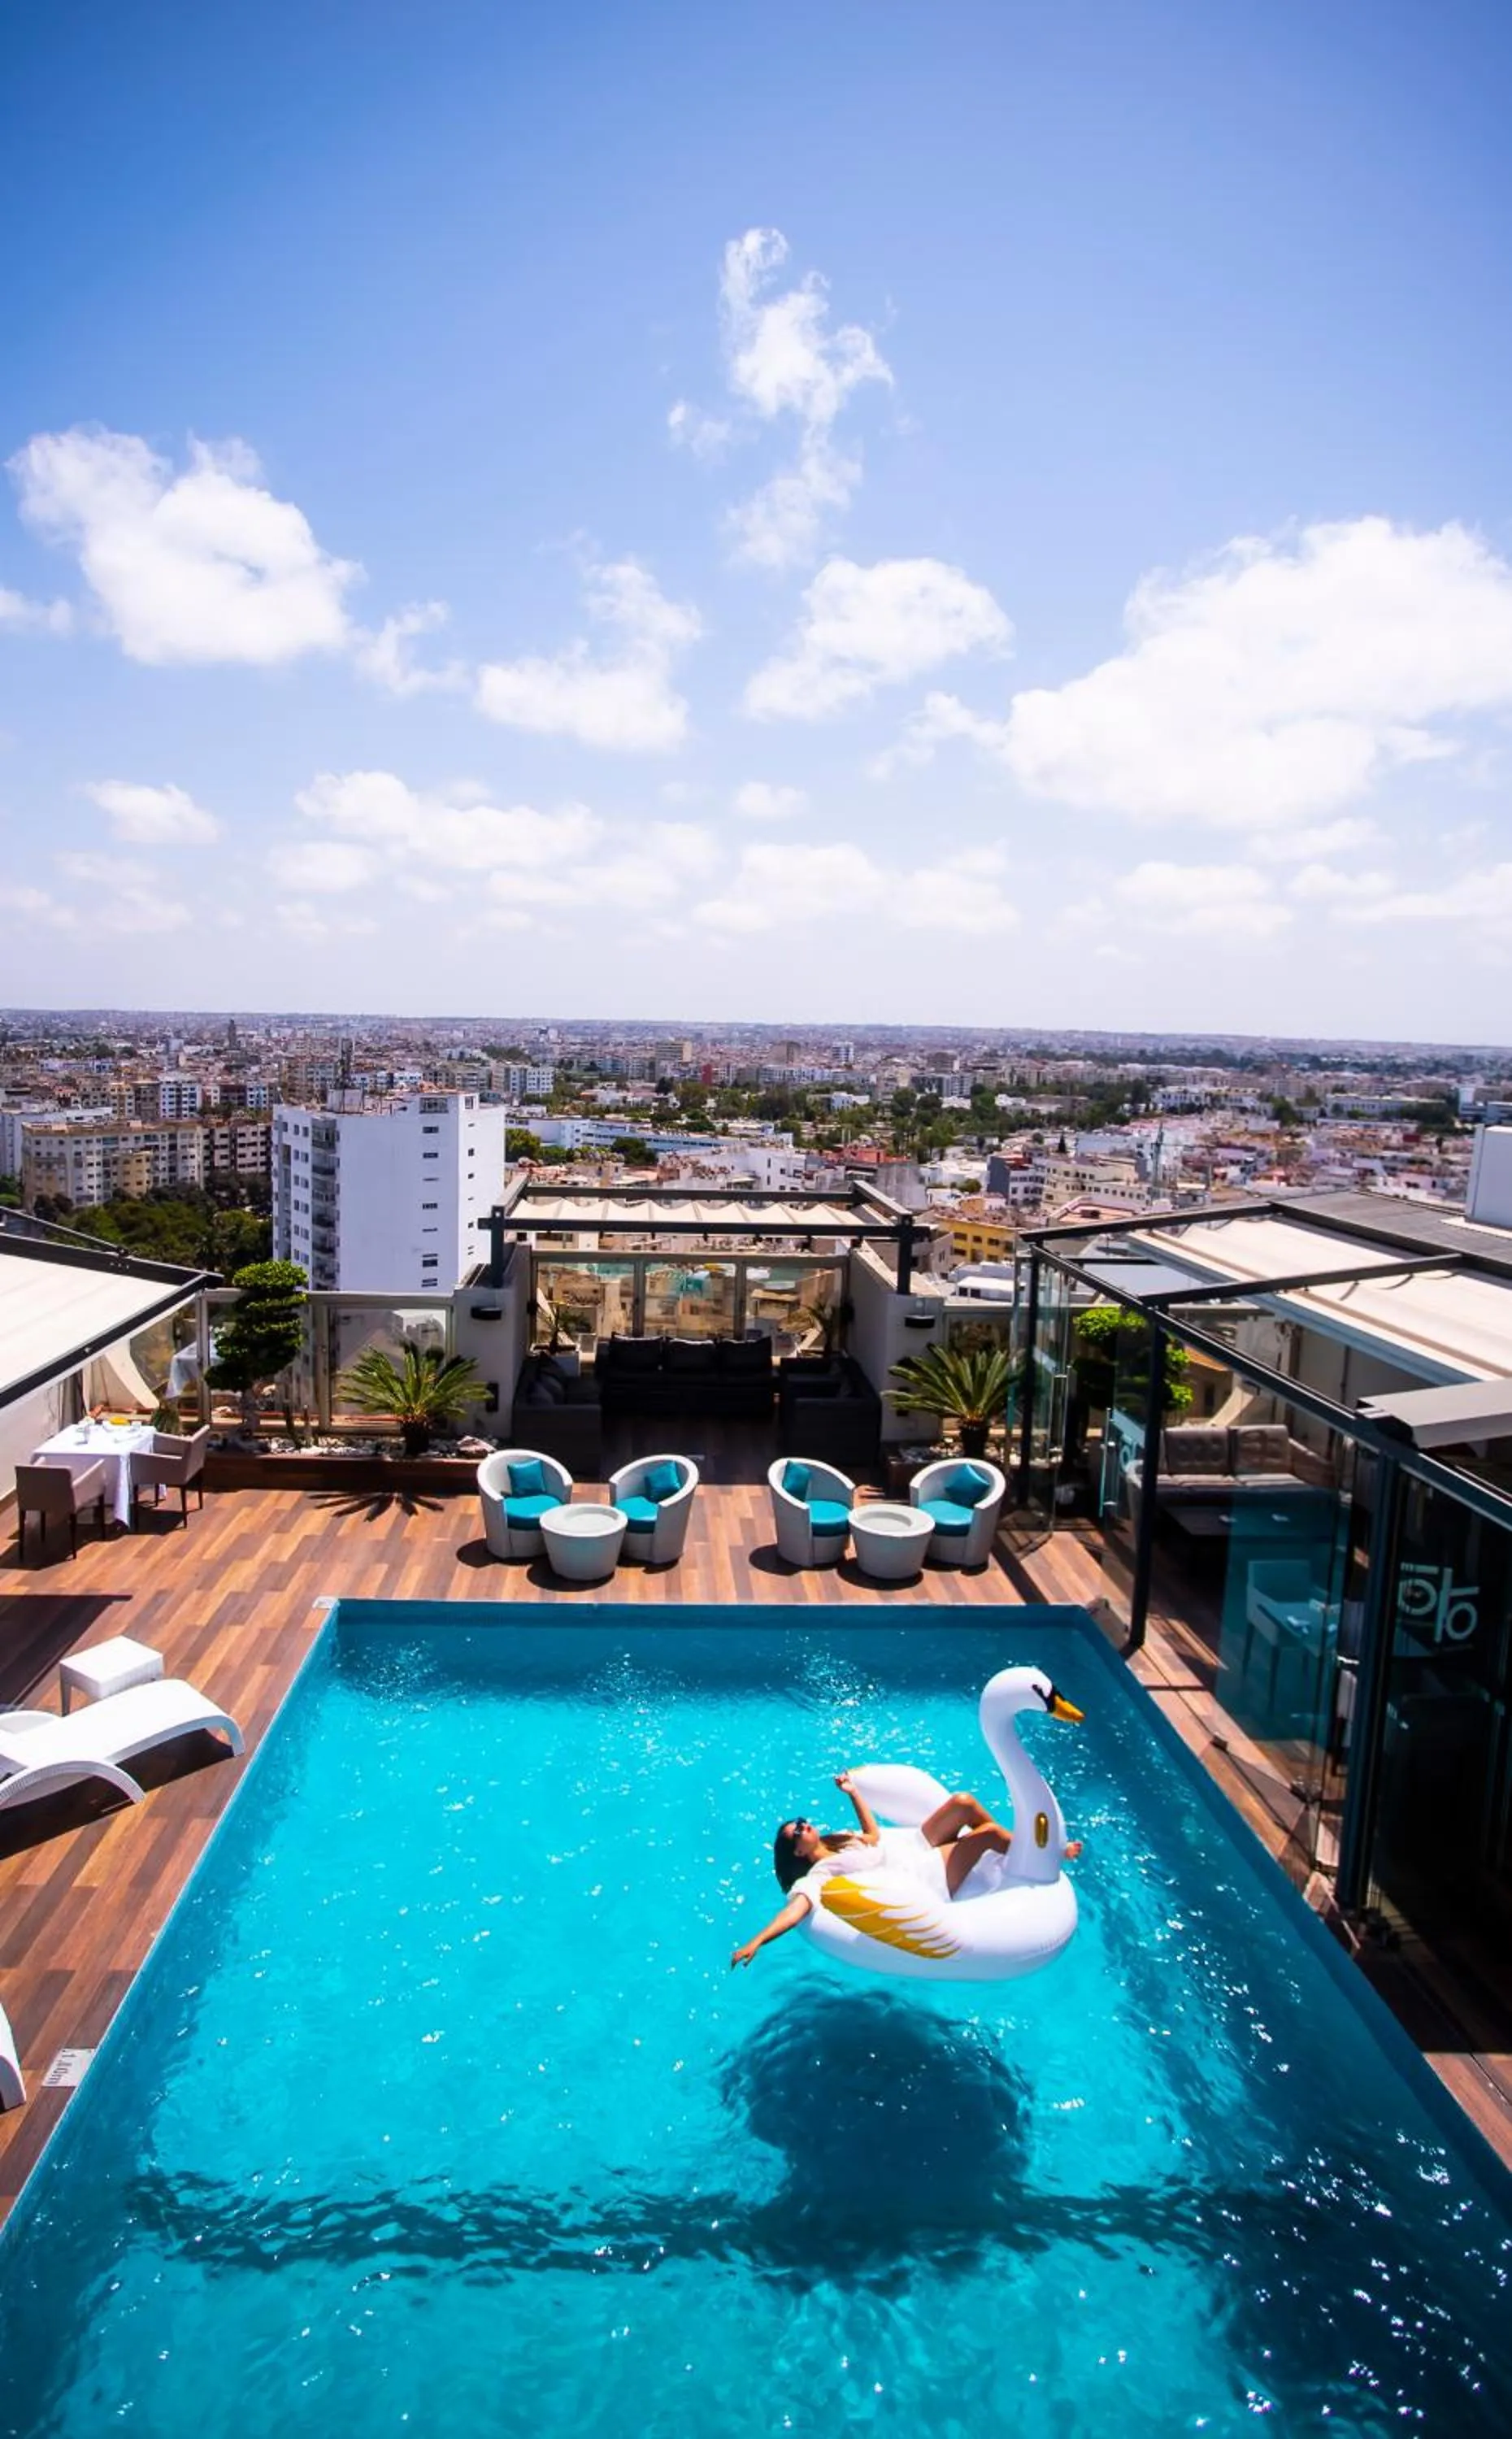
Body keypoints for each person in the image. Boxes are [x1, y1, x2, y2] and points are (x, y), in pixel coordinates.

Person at [729, 1772, 1080, 1969]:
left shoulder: (837, 1840)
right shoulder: (820, 1874)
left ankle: (1009, 1849)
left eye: (800, 1822)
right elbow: (796, 1910)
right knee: (986, 1835)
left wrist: (853, 1793)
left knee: (963, 1804)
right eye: (797, 1832)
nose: (803, 1826)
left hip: (913, 1850)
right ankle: (1045, 1854)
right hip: (926, 1876)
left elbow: (873, 1836)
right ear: (798, 1851)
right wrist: (757, 1941)